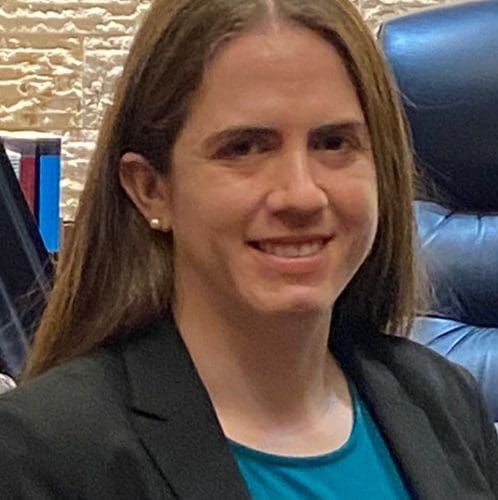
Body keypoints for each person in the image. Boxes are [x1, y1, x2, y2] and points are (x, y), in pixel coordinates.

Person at [0, 0, 496, 498]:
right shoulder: (43, 454)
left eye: (333, 143)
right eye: (244, 148)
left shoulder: (444, 403)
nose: (301, 195)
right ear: (150, 188)